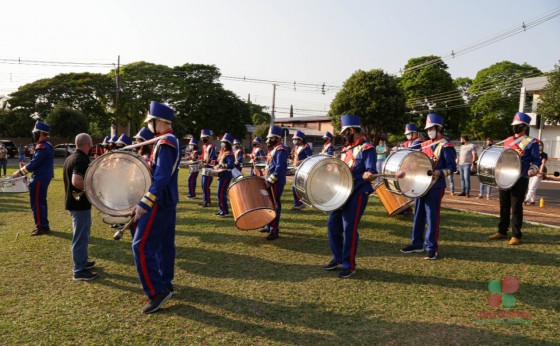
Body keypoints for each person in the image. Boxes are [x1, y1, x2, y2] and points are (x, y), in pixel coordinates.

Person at [132, 101, 180, 314]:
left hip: (159, 202)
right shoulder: (166, 141)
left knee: (141, 246)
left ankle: (156, 291)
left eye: (150, 121)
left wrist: (145, 202)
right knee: (163, 245)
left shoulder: (166, 142)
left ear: (157, 121)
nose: (149, 125)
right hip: (166, 200)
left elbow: (161, 177)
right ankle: (165, 283)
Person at [324, 115, 377, 278]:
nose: (343, 135)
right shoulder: (347, 149)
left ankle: (349, 265)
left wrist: (370, 174)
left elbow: (372, 170)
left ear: (351, 130)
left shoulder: (367, 148)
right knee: (333, 225)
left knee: (349, 229)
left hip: (357, 193)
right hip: (342, 192)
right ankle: (338, 258)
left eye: (345, 132)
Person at [400, 113, 457, 260]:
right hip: (421, 184)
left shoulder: (446, 145)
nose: (429, 131)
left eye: (431, 128)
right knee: (418, 215)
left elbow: (452, 167)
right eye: (428, 129)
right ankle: (417, 243)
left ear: (439, 128)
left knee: (432, 217)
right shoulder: (424, 145)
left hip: (436, 186)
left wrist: (440, 171)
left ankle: (431, 247)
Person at [489, 112, 540, 245]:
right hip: (504, 176)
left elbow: (536, 160)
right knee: (504, 205)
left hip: (521, 177)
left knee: (516, 206)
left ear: (524, 127)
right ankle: (502, 231)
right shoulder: (507, 141)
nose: (515, 128)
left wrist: (533, 169)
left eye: (518, 125)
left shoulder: (532, 142)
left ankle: (516, 234)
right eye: (514, 125)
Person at [63, 133, 98, 281]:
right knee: (80, 237)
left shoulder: (71, 157)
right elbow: (76, 181)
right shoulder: (80, 159)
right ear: (88, 144)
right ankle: (79, 270)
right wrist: (91, 187)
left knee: (83, 235)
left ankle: (83, 262)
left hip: (75, 203)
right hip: (79, 205)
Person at [12, 120, 54, 236]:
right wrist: (25, 167)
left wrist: (19, 172)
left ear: (40, 133)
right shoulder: (46, 145)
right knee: (41, 202)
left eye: (35, 133)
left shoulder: (42, 147)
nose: (33, 135)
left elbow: (34, 165)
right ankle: (44, 225)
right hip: (42, 177)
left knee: (36, 203)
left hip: (39, 178)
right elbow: (36, 162)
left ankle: (41, 227)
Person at [261, 125, 288, 240]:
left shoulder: (281, 149)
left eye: (272, 138)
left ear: (277, 138)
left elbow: (279, 168)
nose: (269, 140)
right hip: (270, 181)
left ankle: (274, 230)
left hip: (275, 182)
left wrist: (270, 181)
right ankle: (268, 225)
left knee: (275, 205)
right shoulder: (274, 150)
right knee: (268, 204)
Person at [214, 133, 236, 217]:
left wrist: (221, 165)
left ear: (227, 144)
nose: (221, 143)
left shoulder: (229, 153)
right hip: (222, 174)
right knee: (219, 192)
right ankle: (221, 210)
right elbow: (219, 162)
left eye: (223, 142)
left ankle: (225, 211)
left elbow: (231, 165)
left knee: (221, 193)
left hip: (226, 175)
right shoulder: (224, 152)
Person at [290, 130, 312, 210]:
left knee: (295, 187)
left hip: (303, 169)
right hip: (297, 169)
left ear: (301, 139)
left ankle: (300, 203)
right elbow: (293, 156)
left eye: (296, 139)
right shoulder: (296, 147)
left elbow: (310, 158)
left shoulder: (306, 147)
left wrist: (300, 162)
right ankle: (299, 203)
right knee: (296, 187)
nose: (294, 140)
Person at [524, 141, 548, 205]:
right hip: (532, 171)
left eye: (540, 145)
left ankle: (527, 199)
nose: (539, 146)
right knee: (530, 186)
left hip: (539, 171)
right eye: (538, 145)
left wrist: (540, 172)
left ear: (542, 146)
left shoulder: (544, 154)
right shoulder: (533, 153)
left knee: (533, 186)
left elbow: (542, 164)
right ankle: (532, 200)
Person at [199, 129, 216, 207]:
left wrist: (208, 161)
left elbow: (213, 157)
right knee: (203, 185)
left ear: (208, 137)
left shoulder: (212, 146)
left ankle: (208, 202)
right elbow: (203, 156)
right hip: (204, 168)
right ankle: (204, 200)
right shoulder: (204, 146)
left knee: (206, 185)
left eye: (204, 137)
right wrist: (197, 157)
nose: (203, 139)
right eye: (202, 138)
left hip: (209, 168)